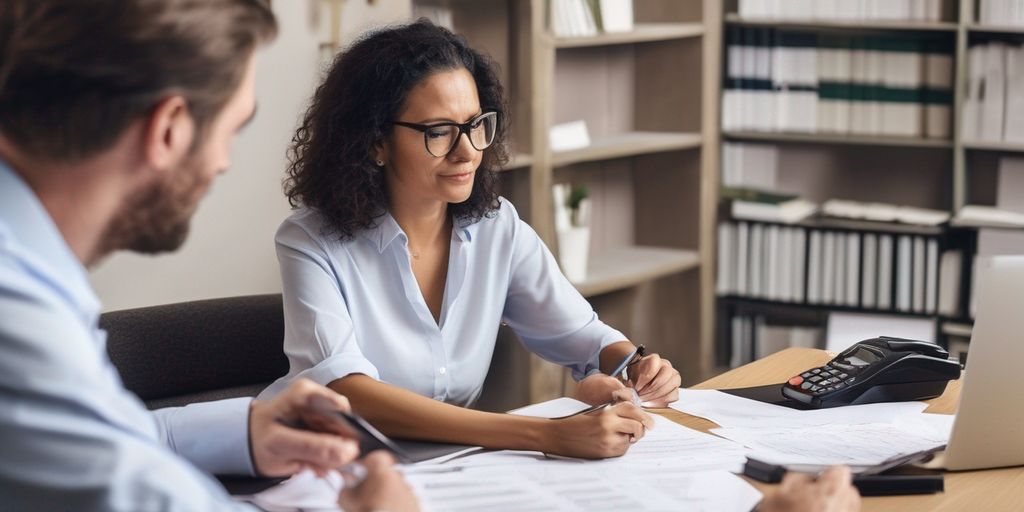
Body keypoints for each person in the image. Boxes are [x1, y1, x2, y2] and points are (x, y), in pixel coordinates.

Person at [0, 1, 416, 511]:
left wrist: (241, 432)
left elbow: (76, 439)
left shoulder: (26, 264)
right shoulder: (14, 313)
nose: (222, 163)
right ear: (170, 128)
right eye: (232, 127)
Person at [259, 19, 679, 459]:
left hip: (447, 472)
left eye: (476, 124)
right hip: (319, 472)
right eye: (439, 132)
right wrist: (546, 433)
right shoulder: (309, 241)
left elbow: (584, 337)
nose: (469, 151)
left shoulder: (497, 229)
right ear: (375, 142)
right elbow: (350, 394)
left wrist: (636, 367)